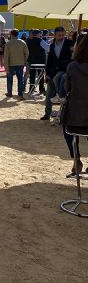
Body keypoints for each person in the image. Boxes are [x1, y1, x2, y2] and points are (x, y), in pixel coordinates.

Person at [63, 33, 88, 176]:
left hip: (75, 120)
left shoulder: (72, 66)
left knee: (67, 130)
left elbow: (67, 89)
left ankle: (76, 159)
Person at [40, 26, 73, 120]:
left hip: (65, 73)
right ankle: (47, 114)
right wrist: (47, 74)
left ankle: (64, 114)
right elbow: (49, 61)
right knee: (49, 95)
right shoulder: (52, 45)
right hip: (53, 73)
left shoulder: (70, 43)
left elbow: (72, 58)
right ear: (55, 35)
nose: (61, 37)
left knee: (64, 96)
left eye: (63, 35)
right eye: (59, 35)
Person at [4, 29, 28, 100]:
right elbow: (27, 53)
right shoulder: (22, 42)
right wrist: (24, 60)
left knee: (9, 79)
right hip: (20, 63)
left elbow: (6, 56)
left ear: (11, 34)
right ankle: (20, 94)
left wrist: (6, 66)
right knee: (20, 79)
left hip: (11, 64)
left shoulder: (8, 43)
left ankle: (9, 93)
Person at [25, 29, 46, 95]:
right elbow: (47, 48)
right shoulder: (40, 40)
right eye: (40, 33)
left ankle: (31, 89)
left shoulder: (28, 41)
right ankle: (41, 89)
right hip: (40, 61)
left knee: (32, 76)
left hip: (32, 60)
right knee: (41, 75)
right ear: (38, 34)